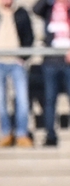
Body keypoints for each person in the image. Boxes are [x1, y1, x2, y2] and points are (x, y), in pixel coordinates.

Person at [0, 0, 36, 146]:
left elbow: (29, 36)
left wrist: (23, 57)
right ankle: (6, 132)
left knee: (22, 99)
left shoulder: (21, 14)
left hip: (16, 62)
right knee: (0, 100)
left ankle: (21, 133)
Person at [38, 0, 70, 145]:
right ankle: (50, 135)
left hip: (68, 62)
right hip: (51, 61)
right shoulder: (48, 7)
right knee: (50, 99)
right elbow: (36, 9)